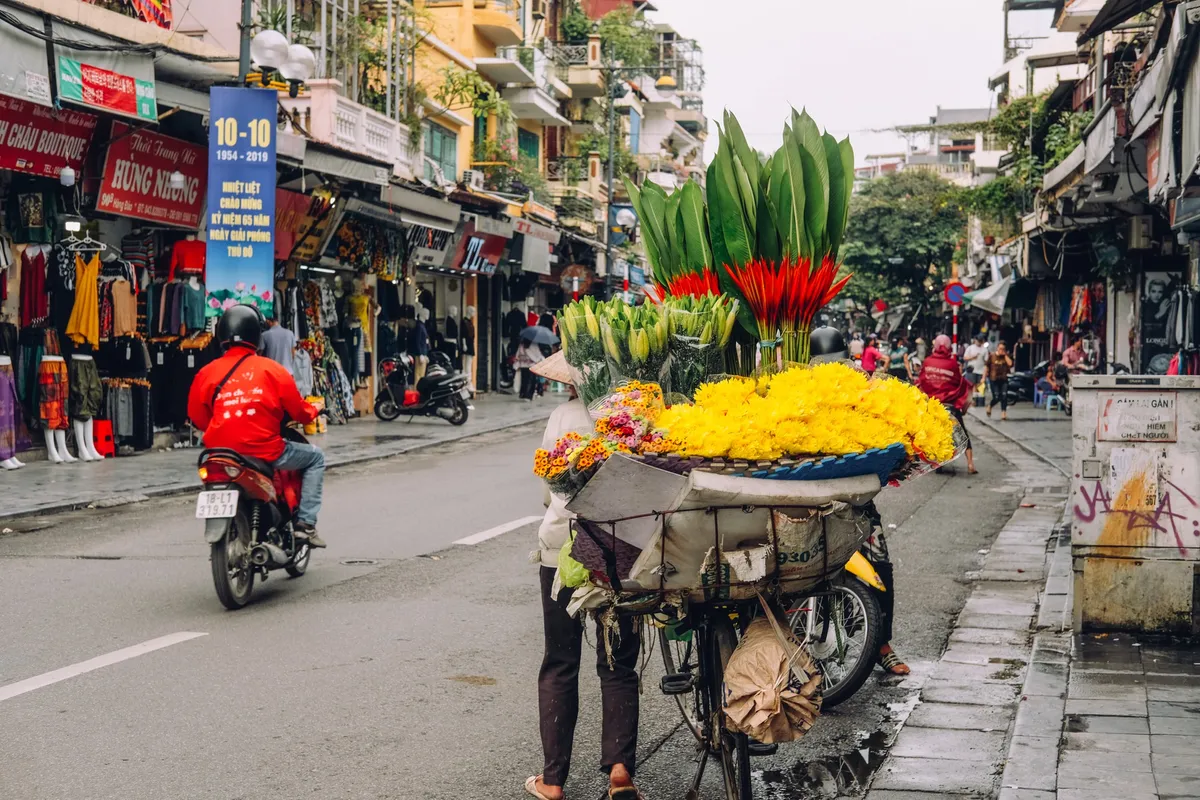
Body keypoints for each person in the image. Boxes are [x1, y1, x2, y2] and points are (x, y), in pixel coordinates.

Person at [526, 351, 642, 800]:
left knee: (560, 661)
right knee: (618, 662)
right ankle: (619, 771)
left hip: (562, 546)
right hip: (622, 548)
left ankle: (553, 781)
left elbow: (546, 485)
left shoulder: (563, 415)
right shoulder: (631, 417)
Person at [187, 305, 327, 548]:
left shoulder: (206, 373)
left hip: (219, 453)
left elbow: (197, 417)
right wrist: (315, 409)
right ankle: (305, 524)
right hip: (265, 451)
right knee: (316, 458)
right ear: (256, 336)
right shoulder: (273, 369)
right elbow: (300, 413)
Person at [918, 334, 976, 475]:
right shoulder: (952, 364)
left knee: (929, 435)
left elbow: (922, 381)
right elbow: (959, 383)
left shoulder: (927, 362)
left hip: (932, 406)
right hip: (950, 405)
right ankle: (970, 464)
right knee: (962, 434)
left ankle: (934, 462)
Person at [986, 341, 1014, 420]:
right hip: (994, 379)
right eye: (1000, 348)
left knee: (1004, 396)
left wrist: (1005, 355)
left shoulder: (1005, 356)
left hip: (1003, 379)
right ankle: (990, 406)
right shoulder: (992, 356)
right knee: (997, 397)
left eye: (1003, 349)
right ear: (997, 348)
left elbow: (1010, 364)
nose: (1001, 350)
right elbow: (987, 367)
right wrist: (983, 377)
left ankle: (1003, 413)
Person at [515, 336, 545, 401]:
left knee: (524, 381)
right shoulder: (534, 345)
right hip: (532, 365)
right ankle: (529, 395)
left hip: (523, 365)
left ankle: (523, 394)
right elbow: (538, 354)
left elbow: (517, 355)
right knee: (532, 381)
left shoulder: (521, 345)